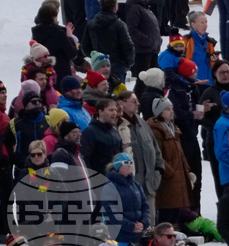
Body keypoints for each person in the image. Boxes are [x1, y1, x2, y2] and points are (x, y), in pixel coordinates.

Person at [117, 90, 165, 221]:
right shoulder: (117, 126)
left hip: (149, 187)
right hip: (130, 190)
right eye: (133, 101)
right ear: (121, 104)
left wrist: (158, 171)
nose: (138, 104)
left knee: (150, 226)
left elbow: (156, 150)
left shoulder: (142, 124)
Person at [148, 96, 193, 225]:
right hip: (167, 179)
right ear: (159, 112)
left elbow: (180, 154)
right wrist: (169, 172)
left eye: (172, 108)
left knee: (175, 213)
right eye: (167, 109)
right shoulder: (156, 131)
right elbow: (158, 155)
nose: (171, 111)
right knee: (166, 214)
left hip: (178, 177)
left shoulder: (173, 128)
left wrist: (186, 170)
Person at [82, 0, 136, 83]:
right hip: (117, 67)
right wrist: (126, 64)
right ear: (115, 6)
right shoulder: (119, 25)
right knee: (118, 95)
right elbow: (128, 47)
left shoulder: (91, 24)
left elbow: (85, 47)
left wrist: (96, 57)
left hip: (99, 66)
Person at [107, 152, 151, 246]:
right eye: (126, 163)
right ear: (118, 166)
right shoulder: (110, 186)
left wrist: (144, 223)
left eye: (131, 163)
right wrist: (131, 226)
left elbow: (145, 206)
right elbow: (111, 212)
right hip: (119, 237)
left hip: (138, 236)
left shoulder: (136, 185)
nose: (130, 166)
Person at [79, 98, 123, 175]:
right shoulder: (90, 132)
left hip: (116, 179)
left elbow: (121, 156)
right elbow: (85, 158)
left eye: (115, 110)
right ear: (100, 112)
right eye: (111, 110)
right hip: (99, 179)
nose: (114, 113)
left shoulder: (115, 131)